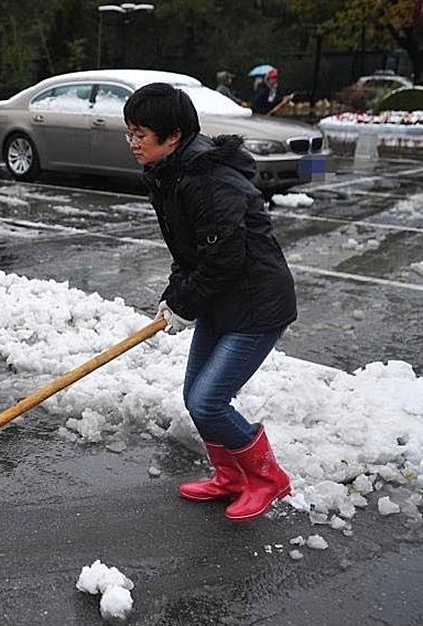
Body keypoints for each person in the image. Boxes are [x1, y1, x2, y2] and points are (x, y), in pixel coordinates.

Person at [122, 83, 295, 522]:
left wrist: (187, 304)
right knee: (194, 396)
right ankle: (232, 477)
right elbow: (189, 252)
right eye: (130, 132)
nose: (133, 142)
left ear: (173, 135)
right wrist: (173, 297)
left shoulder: (207, 180)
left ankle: (269, 479)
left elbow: (224, 258)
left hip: (257, 306)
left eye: (141, 133)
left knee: (207, 401)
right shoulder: (170, 174)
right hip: (222, 301)